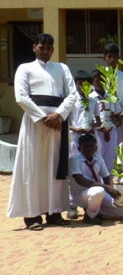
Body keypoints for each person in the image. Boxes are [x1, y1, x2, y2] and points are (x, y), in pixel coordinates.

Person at [7, 33, 78, 231]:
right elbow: (21, 97)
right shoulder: (25, 68)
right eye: (41, 47)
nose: (45, 50)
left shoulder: (62, 68)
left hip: (58, 123)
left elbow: (72, 94)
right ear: (34, 47)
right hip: (35, 124)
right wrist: (43, 118)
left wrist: (59, 115)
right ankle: (32, 215)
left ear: (53, 49)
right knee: (34, 167)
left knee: (55, 166)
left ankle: (54, 212)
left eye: (49, 47)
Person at [68, 135, 123, 225]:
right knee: (99, 191)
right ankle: (89, 216)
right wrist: (105, 187)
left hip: (98, 192)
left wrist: (113, 192)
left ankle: (96, 211)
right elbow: (80, 180)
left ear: (96, 148)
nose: (89, 149)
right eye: (86, 146)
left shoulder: (99, 159)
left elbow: (106, 178)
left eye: (92, 146)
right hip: (81, 194)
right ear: (79, 148)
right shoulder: (74, 160)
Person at [90, 69, 122, 172]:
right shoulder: (90, 98)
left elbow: (118, 115)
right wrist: (96, 126)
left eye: (102, 80)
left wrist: (116, 120)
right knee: (97, 158)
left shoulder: (111, 97)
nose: (100, 83)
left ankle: (109, 183)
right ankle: (99, 181)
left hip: (111, 132)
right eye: (96, 81)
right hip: (97, 132)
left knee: (110, 159)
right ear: (92, 83)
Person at [103, 43, 123, 144]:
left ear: (118, 58)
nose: (112, 60)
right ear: (104, 58)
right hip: (105, 117)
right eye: (109, 56)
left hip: (122, 118)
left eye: (115, 57)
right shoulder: (100, 76)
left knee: (121, 145)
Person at [68, 70, 100, 157]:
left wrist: (93, 127)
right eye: (80, 83)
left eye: (86, 84)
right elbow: (64, 121)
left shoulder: (93, 101)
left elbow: (98, 121)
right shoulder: (71, 100)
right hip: (76, 138)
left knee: (92, 162)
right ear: (75, 84)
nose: (83, 86)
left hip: (91, 138)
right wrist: (75, 129)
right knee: (77, 162)